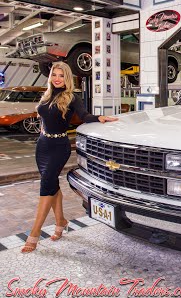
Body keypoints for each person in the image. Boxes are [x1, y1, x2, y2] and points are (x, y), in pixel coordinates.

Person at [21, 62, 119, 253]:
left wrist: (100, 118)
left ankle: (34, 234)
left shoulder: (72, 97)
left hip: (59, 147)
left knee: (45, 187)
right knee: (51, 185)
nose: (57, 79)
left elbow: (84, 115)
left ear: (67, 78)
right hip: (42, 145)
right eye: (54, 75)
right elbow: (45, 119)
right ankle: (61, 222)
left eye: (61, 76)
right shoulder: (47, 95)